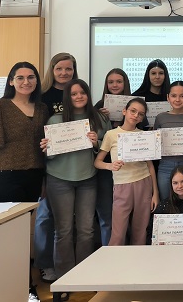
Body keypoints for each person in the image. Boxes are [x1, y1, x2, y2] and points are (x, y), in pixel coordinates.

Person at [0, 62, 48, 301]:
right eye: (20, 78)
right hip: (5, 175)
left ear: (37, 81)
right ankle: (12, 287)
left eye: (31, 77)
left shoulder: (42, 109)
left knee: (24, 234)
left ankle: (24, 286)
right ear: (11, 81)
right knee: (8, 234)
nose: (26, 82)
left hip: (34, 176)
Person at [39, 79, 108, 279]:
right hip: (59, 179)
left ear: (88, 94)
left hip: (88, 179)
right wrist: (46, 149)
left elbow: (108, 148)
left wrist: (97, 143)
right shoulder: (55, 120)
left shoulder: (99, 119)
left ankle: (83, 276)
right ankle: (65, 277)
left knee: (86, 230)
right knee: (63, 230)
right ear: (67, 97)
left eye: (82, 93)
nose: (79, 97)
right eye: (74, 94)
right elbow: (48, 156)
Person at [36, 53, 78, 282]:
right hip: (49, 163)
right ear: (52, 70)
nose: (64, 73)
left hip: (74, 163)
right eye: (59, 68)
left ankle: (65, 264)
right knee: (45, 216)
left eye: (68, 69)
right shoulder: (42, 97)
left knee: (66, 221)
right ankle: (44, 264)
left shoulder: (77, 93)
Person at [94, 97, 160, 245]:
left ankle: (138, 259)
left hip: (143, 183)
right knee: (118, 233)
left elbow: (150, 166)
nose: (136, 115)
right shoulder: (111, 134)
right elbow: (97, 162)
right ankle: (115, 259)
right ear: (124, 111)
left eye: (140, 114)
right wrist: (110, 166)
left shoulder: (144, 135)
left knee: (140, 231)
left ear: (142, 118)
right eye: (133, 111)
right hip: (121, 185)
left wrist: (155, 193)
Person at [93, 68, 132, 246]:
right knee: (106, 214)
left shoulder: (134, 105)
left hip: (129, 168)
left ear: (125, 84)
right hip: (105, 168)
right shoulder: (98, 107)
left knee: (128, 215)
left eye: (119, 81)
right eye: (111, 82)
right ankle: (107, 252)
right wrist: (105, 119)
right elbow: (93, 138)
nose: (115, 85)